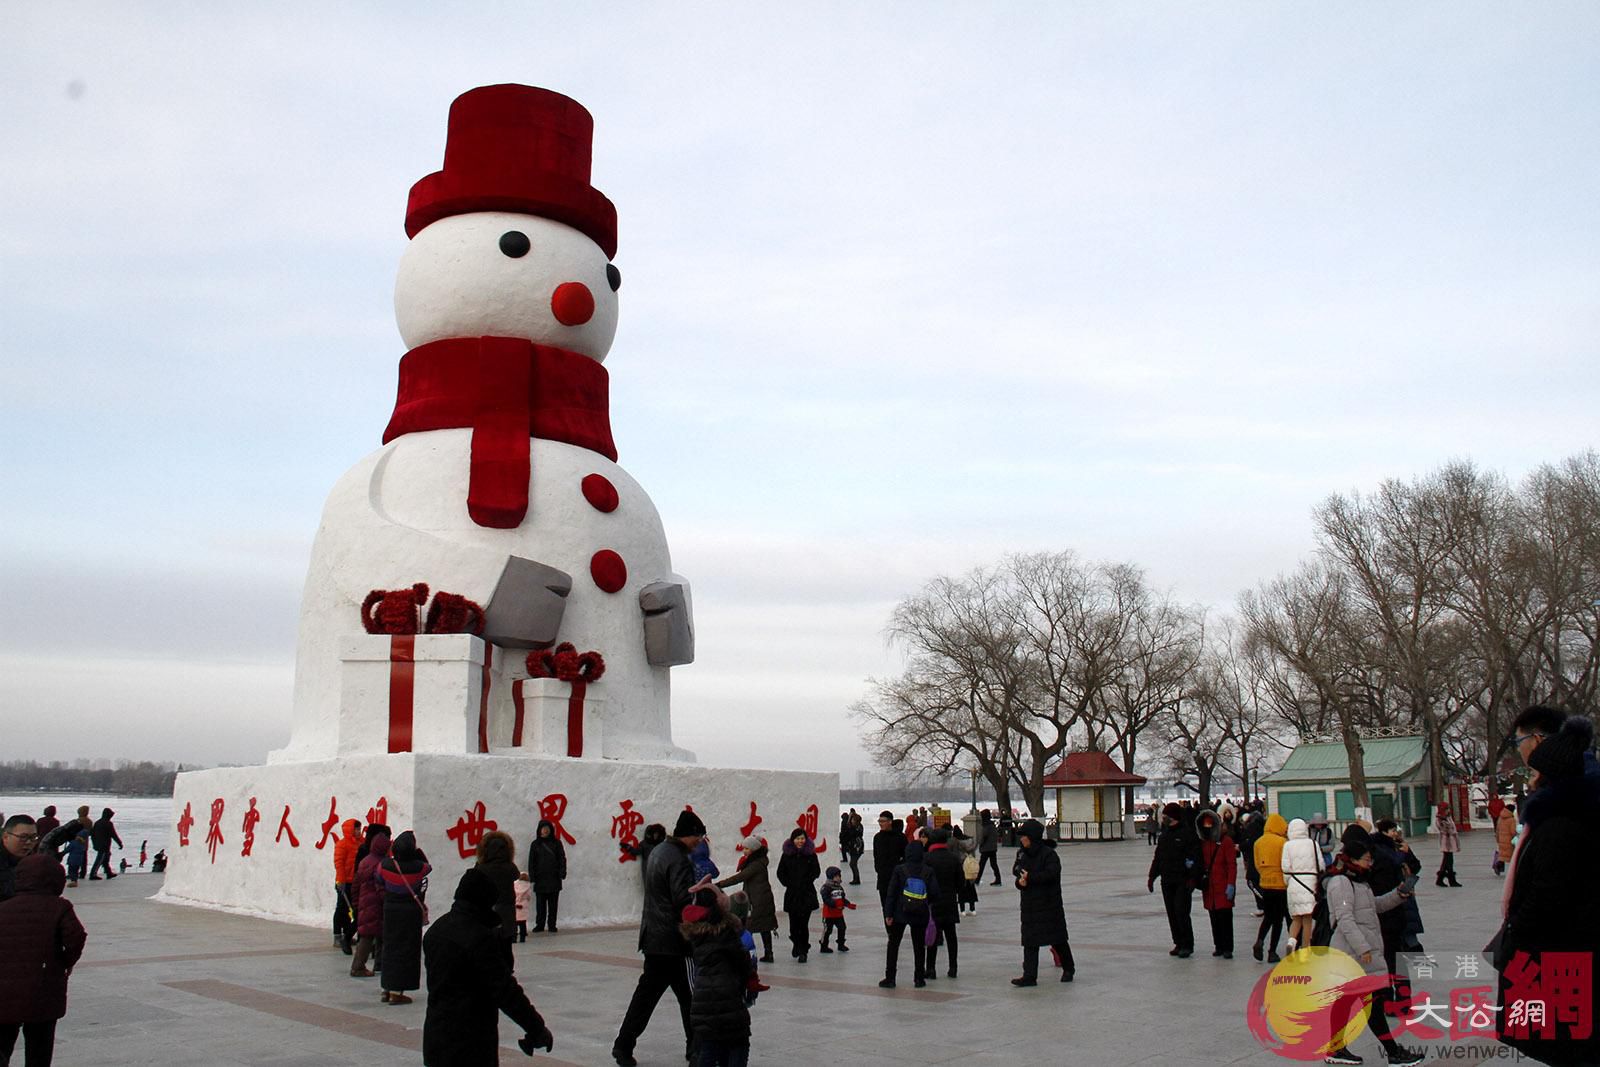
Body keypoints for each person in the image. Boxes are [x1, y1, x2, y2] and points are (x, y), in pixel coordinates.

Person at [1494, 710, 1600, 1064]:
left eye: (1520, 742)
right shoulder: (1572, 800)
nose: (1532, 778)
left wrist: (1515, 934)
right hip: (1563, 947)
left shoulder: (1561, 821)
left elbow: (1548, 893)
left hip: (1559, 951)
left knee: (1566, 1043)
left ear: (1538, 741)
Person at [421, 867, 552, 1067]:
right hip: (471, 1040)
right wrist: (536, 1028)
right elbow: (504, 990)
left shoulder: (437, 930)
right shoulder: (478, 938)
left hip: (436, 1033)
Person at [613, 809, 703, 1067]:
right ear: (689, 835)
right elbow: (682, 900)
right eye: (698, 836)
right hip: (674, 941)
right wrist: (701, 900)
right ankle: (696, 1049)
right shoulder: (679, 859)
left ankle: (623, 1045)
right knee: (691, 997)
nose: (699, 842)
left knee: (646, 996)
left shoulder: (659, 851)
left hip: (653, 937)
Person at [1320, 840, 1423, 1067]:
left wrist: (1399, 894)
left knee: (1360, 1003)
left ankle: (1339, 1049)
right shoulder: (1341, 883)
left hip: (1360, 956)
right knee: (1366, 1003)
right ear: (1354, 859)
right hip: (1352, 955)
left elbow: (1373, 906)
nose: (1370, 863)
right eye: (1367, 859)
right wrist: (1363, 947)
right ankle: (1391, 1052)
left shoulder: (1359, 882)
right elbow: (1345, 918)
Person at [0, 855, 87, 1067]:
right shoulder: (60, 907)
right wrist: (65, 962)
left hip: (4, 994)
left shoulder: (3, 908)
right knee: (40, 1049)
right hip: (43, 991)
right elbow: (76, 937)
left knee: (2, 1046)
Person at [679, 886, 752, 1067]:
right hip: (730, 1004)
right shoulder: (728, 932)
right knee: (737, 1045)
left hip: (703, 1006)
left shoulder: (694, 936)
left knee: (708, 1050)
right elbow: (744, 964)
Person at [1011, 818, 1073, 986]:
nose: (1022, 840)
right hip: (1029, 905)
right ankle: (1029, 976)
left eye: (1024, 836)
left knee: (1057, 939)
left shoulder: (1049, 854)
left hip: (1048, 904)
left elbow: (1051, 875)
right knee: (1030, 941)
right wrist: (1020, 882)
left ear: (1032, 837)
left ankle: (1069, 968)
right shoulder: (1022, 853)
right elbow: (1017, 871)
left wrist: (1030, 878)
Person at [377, 830, 431, 1005]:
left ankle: (386, 988)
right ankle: (397, 992)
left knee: (390, 947)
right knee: (406, 950)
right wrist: (417, 852)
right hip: (410, 912)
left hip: (390, 910)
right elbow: (428, 866)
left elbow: (378, 880)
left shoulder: (385, 865)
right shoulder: (418, 867)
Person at [880, 840, 938, 989]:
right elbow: (935, 893)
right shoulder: (928, 870)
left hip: (900, 912)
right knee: (919, 946)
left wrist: (888, 913)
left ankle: (890, 977)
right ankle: (919, 978)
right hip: (920, 913)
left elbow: (891, 893)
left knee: (893, 945)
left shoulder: (900, 869)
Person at [1147, 802, 1200, 958]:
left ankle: (1187, 944)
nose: (1163, 818)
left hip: (1183, 881)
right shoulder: (1165, 835)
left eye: (1165, 816)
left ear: (1173, 817)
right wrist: (1152, 876)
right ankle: (1178, 942)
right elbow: (1158, 858)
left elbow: (1196, 858)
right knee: (1172, 913)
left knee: (1181, 912)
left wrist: (1193, 879)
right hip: (1167, 880)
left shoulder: (1188, 834)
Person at [716, 836, 777, 963]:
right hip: (761, 898)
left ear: (754, 849)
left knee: (750, 927)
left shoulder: (755, 864)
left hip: (758, 899)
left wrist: (720, 884)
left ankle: (746, 951)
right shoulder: (758, 861)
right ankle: (767, 952)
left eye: (747, 848)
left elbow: (740, 877)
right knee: (764, 927)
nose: (744, 850)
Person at [474, 830, 520, 968]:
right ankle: (507, 970)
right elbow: (516, 876)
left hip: (487, 909)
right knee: (506, 945)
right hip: (507, 909)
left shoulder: (482, 868)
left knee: (489, 943)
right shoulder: (510, 867)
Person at [922, 826, 963, 978]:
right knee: (951, 935)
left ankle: (931, 968)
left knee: (933, 935)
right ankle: (953, 967)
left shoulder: (927, 858)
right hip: (950, 901)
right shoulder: (953, 858)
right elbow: (961, 882)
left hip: (932, 902)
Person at [1196, 808, 1237, 959]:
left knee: (1225, 918)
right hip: (1210, 888)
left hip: (1222, 885)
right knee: (1214, 918)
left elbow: (1231, 865)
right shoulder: (1203, 843)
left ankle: (1228, 947)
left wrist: (1231, 884)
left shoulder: (1226, 842)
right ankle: (1218, 945)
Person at [774, 828, 819, 963]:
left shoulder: (811, 855)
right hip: (792, 894)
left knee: (803, 924)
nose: (800, 841)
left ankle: (803, 951)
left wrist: (806, 881)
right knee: (794, 925)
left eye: (802, 838)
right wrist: (789, 883)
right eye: (798, 838)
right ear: (792, 840)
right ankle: (796, 943)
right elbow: (780, 872)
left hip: (807, 893)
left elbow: (816, 871)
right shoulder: (787, 855)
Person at [351, 831, 389, 978]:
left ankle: (365, 965)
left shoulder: (365, 861)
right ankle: (360, 967)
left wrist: (355, 902)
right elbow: (382, 886)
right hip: (377, 903)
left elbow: (356, 884)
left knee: (367, 935)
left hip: (364, 903)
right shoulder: (383, 864)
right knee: (378, 935)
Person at [1252, 813, 1289, 963]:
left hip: (1265, 884)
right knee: (1278, 920)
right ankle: (1272, 951)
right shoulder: (1282, 842)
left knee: (1268, 917)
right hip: (1280, 885)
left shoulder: (1258, 842)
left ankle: (1260, 940)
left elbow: (1256, 864)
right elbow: (1286, 864)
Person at [1281, 817, 1320, 955]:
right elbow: (1320, 865)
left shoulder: (1288, 845)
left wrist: (1288, 882)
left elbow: (1285, 868)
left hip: (1294, 883)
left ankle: (1291, 941)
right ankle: (1305, 948)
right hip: (1310, 883)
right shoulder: (1313, 844)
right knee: (1307, 919)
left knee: (1296, 918)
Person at [528, 819, 566, 933]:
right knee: (540, 904)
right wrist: (532, 875)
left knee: (553, 904)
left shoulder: (556, 843)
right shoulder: (535, 844)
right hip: (540, 878)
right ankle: (539, 924)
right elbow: (531, 861)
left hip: (554, 877)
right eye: (543, 829)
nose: (545, 831)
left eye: (547, 829)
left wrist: (562, 872)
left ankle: (552, 924)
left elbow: (562, 859)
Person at [332, 817, 360, 954]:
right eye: (356, 828)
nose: (358, 831)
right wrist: (341, 881)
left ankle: (347, 933)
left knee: (352, 908)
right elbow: (339, 863)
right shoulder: (342, 844)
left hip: (354, 881)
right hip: (344, 881)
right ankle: (337, 934)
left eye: (359, 828)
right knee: (342, 908)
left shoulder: (361, 843)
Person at [872, 810, 907, 906]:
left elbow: (906, 856)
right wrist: (878, 869)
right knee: (885, 906)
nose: (881, 824)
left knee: (898, 907)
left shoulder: (900, 837)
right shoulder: (877, 838)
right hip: (883, 879)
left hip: (898, 878)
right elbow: (876, 856)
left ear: (890, 821)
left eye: (883, 821)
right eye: (879, 821)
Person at [817, 866, 854, 953]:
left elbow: (842, 898)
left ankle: (841, 944)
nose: (839, 878)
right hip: (828, 914)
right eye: (837, 876)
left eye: (839, 876)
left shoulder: (840, 888)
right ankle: (824, 946)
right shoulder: (826, 887)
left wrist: (848, 904)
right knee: (827, 930)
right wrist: (835, 904)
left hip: (838, 914)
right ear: (831, 877)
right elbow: (826, 899)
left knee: (842, 928)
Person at [1, 815, 38, 903]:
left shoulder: (36, 863)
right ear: (6, 837)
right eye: (23, 837)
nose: (29, 842)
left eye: (33, 837)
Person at [88, 807, 121, 881]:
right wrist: (120, 843)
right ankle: (93, 874)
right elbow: (114, 835)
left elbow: (92, 834)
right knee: (100, 859)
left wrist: (94, 844)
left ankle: (108, 873)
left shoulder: (97, 822)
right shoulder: (108, 824)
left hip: (99, 844)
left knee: (105, 859)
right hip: (104, 845)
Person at [1433, 802, 1461, 887]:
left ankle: (1440, 879)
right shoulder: (1440, 819)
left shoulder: (1448, 817)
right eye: (1446, 809)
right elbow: (1445, 829)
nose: (1448, 811)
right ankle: (1451, 880)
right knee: (1448, 861)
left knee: (1446, 861)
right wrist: (1450, 828)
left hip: (1451, 842)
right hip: (1446, 842)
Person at [976, 809, 1002, 886]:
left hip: (986, 848)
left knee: (981, 865)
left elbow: (983, 837)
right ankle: (998, 879)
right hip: (993, 848)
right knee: (994, 864)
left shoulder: (986, 825)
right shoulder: (992, 825)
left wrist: (980, 843)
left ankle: (977, 879)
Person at [1492, 801, 1516, 876]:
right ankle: (1514, 870)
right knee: (1512, 856)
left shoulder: (1501, 818)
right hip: (1509, 840)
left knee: (1502, 856)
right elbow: (1513, 831)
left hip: (1501, 840)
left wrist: (1498, 838)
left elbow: (1497, 829)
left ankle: (1498, 866)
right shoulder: (1511, 820)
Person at [513, 873, 531, 942]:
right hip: (523, 906)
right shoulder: (527, 886)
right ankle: (522, 938)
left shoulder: (515, 884)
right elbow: (528, 896)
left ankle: (514, 938)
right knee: (523, 923)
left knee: (515, 924)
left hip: (516, 905)